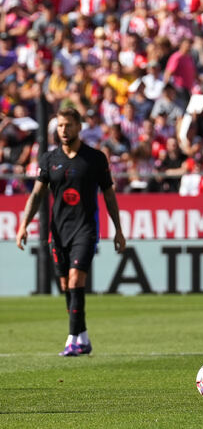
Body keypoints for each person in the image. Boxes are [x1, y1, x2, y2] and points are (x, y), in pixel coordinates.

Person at [15, 107, 126, 357]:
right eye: (61, 126)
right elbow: (36, 195)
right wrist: (23, 225)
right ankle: (83, 337)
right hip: (58, 231)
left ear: (79, 127)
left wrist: (118, 230)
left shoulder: (95, 159)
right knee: (67, 285)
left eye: (68, 125)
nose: (64, 130)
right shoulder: (49, 159)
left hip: (86, 229)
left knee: (76, 280)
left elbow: (109, 195)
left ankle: (72, 339)